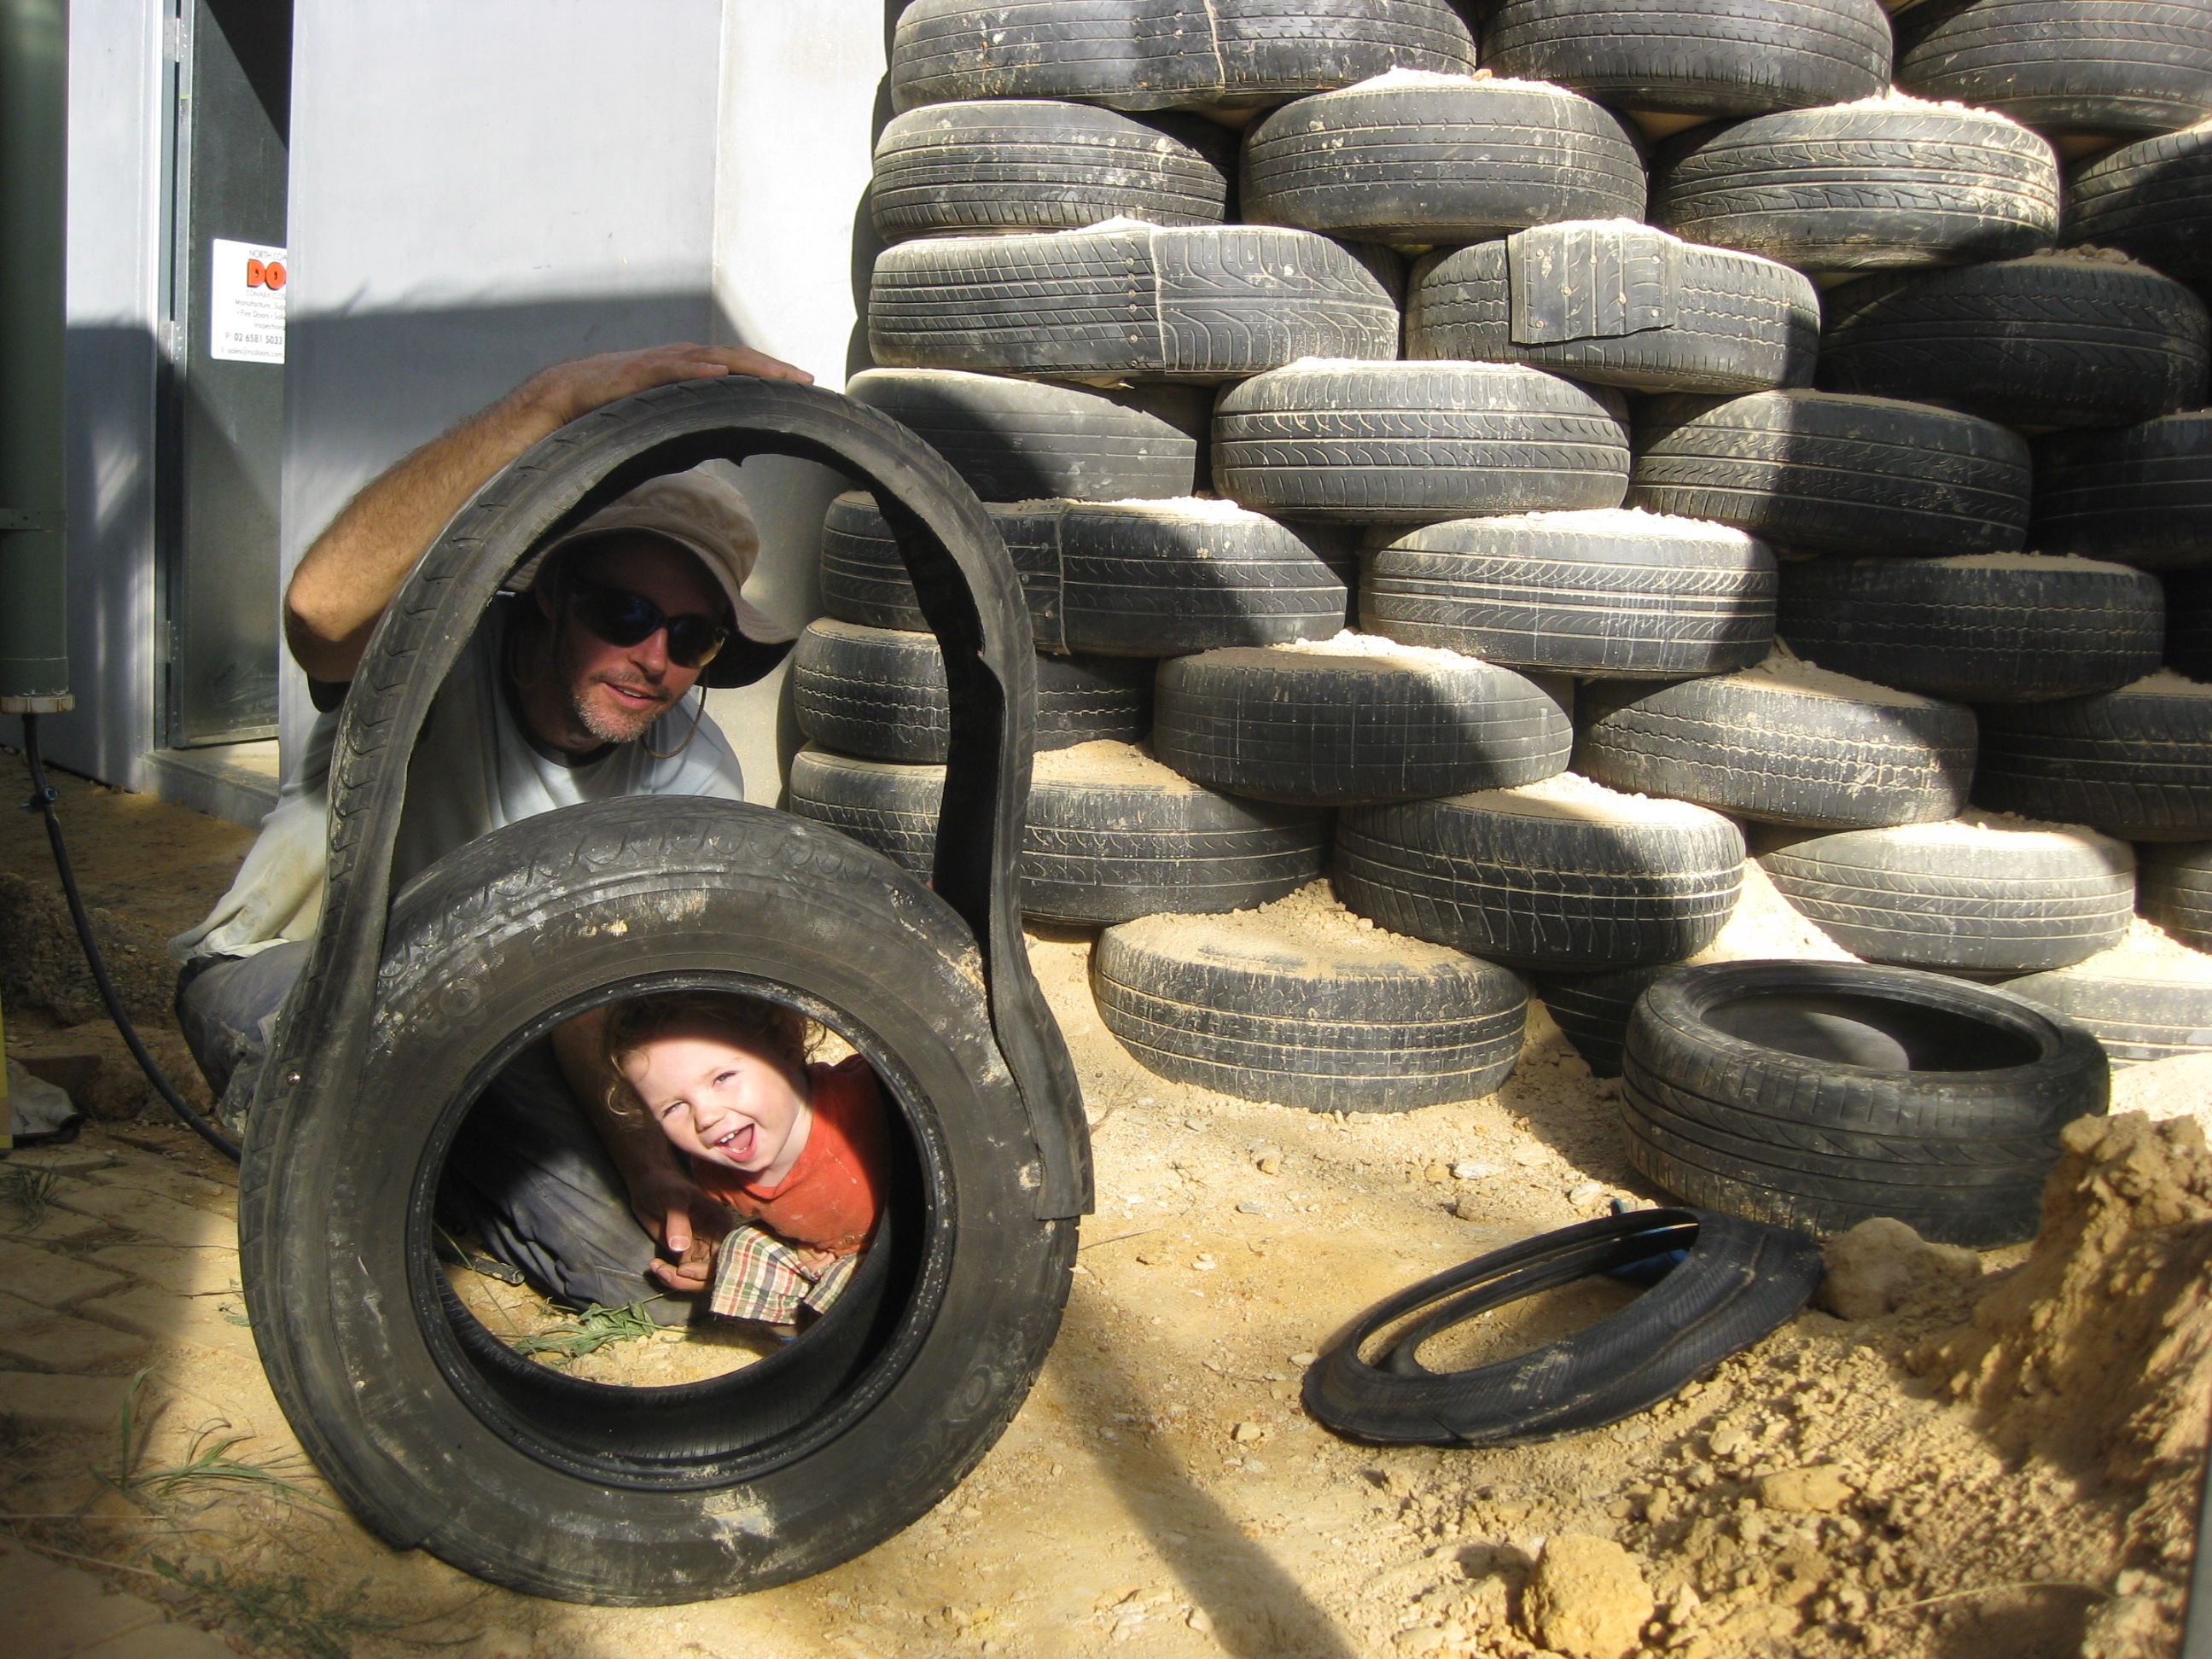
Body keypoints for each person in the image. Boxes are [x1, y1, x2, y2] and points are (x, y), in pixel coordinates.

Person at [168, 342, 814, 1319]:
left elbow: (613, 999)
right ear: (550, 591)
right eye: (626, 612)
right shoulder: (431, 660)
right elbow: (319, 610)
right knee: (422, 1032)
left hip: (511, 1032)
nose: (654, 659)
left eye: (691, 638)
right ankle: (353, 1149)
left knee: (640, 1283)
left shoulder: (691, 769)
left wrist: (657, 1157)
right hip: (290, 974)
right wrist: (552, 404)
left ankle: (421, 1163)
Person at [599, 990, 890, 1330]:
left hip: (916, 1241)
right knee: (742, 1247)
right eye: (674, 1107)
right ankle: (795, 1343)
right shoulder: (716, 1176)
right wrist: (808, 1243)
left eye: (722, 1078)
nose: (705, 1117)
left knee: (854, 1289)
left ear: (785, 1050)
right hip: (831, 1256)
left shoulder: (866, 1094)